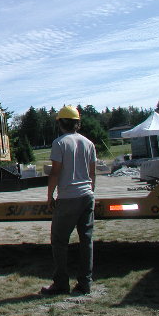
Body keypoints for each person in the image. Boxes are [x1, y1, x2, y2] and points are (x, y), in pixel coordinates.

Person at [41, 105, 96, 296]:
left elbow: (55, 173)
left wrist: (50, 196)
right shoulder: (88, 143)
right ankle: (85, 284)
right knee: (86, 240)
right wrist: (90, 192)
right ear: (77, 123)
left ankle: (61, 284)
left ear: (61, 123)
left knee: (59, 241)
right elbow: (92, 173)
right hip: (87, 196)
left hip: (68, 198)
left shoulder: (60, 143)